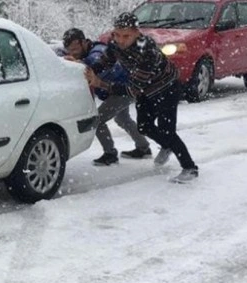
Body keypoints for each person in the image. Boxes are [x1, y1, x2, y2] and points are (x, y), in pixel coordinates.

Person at [85, 12, 199, 183]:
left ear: (137, 33)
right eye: (117, 34)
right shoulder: (115, 43)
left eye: (126, 36)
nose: (120, 40)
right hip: (147, 90)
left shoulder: (147, 52)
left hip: (167, 89)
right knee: (144, 126)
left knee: (168, 131)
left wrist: (100, 83)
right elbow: (105, 61)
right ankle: (166, 145)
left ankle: (190, 168)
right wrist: (85, 67)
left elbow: (133, 90)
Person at [62, 28, 151, 166]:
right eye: (70, 50)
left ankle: (110, 154)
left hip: (123, 90)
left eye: (75, 48)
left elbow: (94, 62)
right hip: (118, 89)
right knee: (123, 118)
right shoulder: (84, 53)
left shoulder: (97, 51)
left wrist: (81, 64)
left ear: (84, 42)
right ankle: (143, 148)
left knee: (97, 120)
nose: (73, 53)